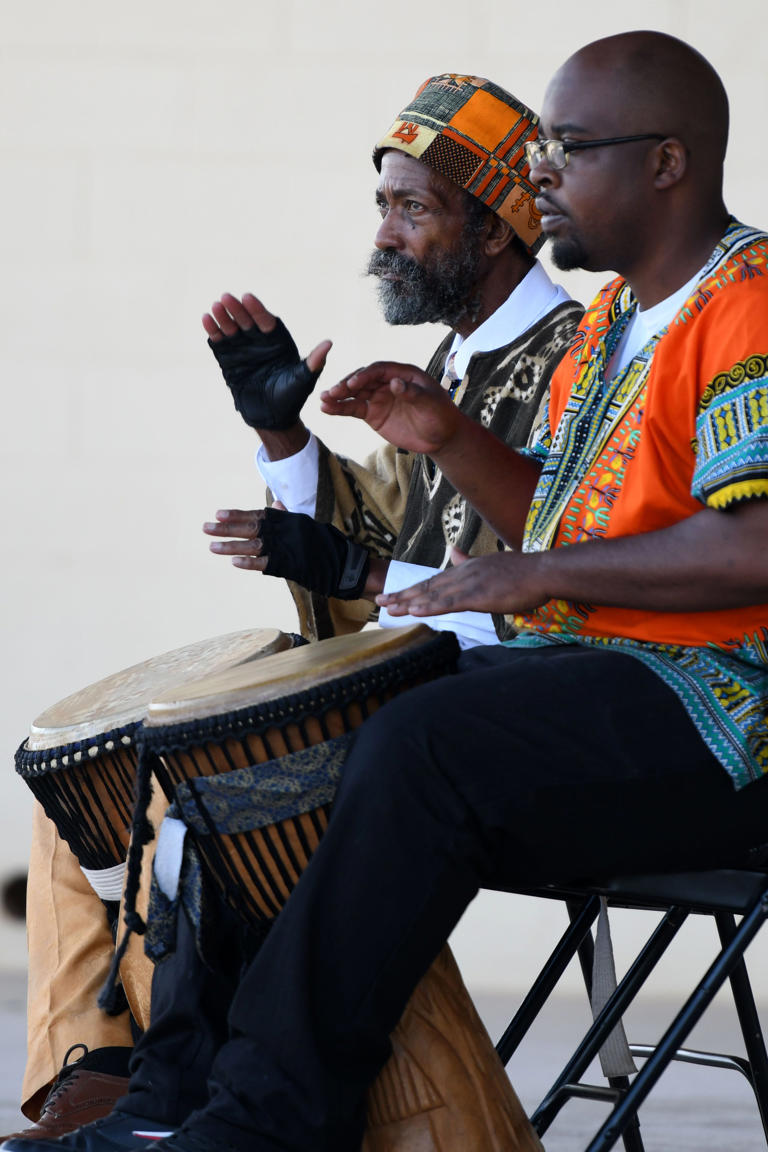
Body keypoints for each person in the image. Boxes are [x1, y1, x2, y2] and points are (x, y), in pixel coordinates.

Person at [9, 27, 768, 1152]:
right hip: (597, 684)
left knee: (418, 742)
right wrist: (447, 435)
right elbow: (556, 518)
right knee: (279, 759)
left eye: (570, 149)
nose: (544, 174)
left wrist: (533, 573)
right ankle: (170, 1110)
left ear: (668, 162)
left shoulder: (746, 300)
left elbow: (754, 551)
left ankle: (262, 1124)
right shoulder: (613, 325)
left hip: (723, 713)